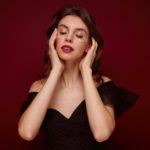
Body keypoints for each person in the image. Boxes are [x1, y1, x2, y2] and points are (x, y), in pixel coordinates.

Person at [18, 5, 138, 150]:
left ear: (89, 46)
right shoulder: (39, 87)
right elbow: (27, 133)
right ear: (53, 39)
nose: (68, 38)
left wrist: (86, 71)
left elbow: (101, 133)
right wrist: (56, 70)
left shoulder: (103, 85)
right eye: (63, 32)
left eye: (79, 35)